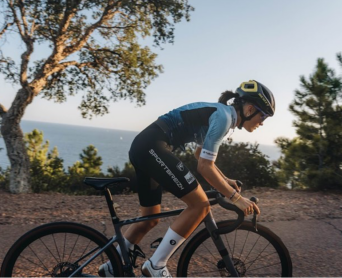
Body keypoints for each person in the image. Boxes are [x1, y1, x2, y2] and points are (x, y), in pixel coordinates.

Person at [99, 80, 275, 278]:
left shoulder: (222, 115)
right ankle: (155, 265)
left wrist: (225, 180)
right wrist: (236, 198)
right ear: (250, 108)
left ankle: (111, 266)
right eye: (264, 116)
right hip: (153, 146)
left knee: (150, 218)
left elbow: (200, 154)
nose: (262, 122)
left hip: (145, 146)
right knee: (200, 205)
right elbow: (204, 167)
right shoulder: (224, 118)